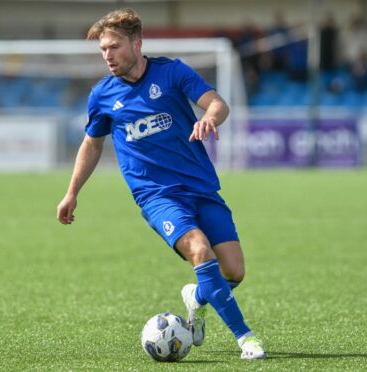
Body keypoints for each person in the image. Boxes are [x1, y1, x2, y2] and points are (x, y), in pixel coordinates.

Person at [56, 8, 266, 360]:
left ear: (137, 43)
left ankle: (196, 297)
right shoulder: (103, 95)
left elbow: (217, 103)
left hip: (200, 188)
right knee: (199, 250)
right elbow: (92, 145)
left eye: (114, 47)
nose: (107, 55)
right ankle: (246, 337)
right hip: (156, 196)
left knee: (234, 270)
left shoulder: (172, 73)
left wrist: (209, 119)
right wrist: (72, 192)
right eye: (103, 49)